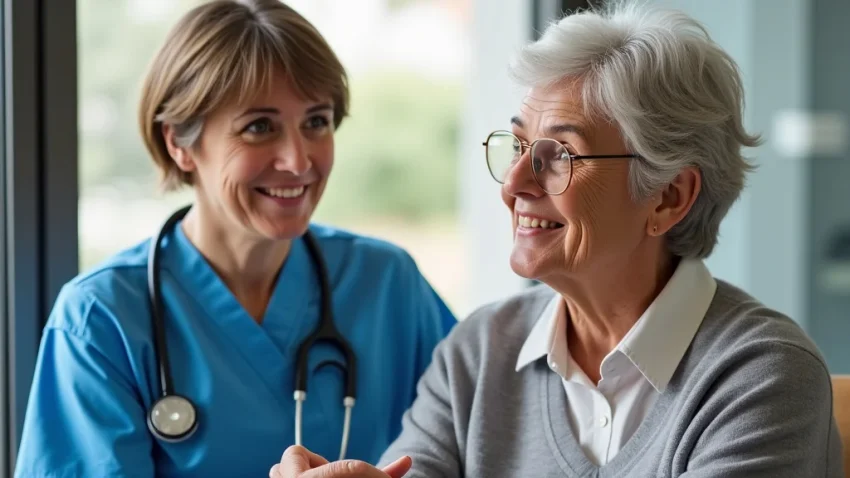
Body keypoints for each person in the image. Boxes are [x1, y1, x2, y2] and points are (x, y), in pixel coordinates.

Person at [271, 2, 845, 477]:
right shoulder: (476, 354)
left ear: (669, 197)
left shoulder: (763, 377)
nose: (514, 184)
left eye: (560, 155)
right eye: (518, 147)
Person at [13, 1, 456, 477]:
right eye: (259, 127)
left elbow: (489, 438)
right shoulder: (102, 318)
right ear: (179, 144)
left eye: (316, 121)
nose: (298, 160)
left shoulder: (387, 284)